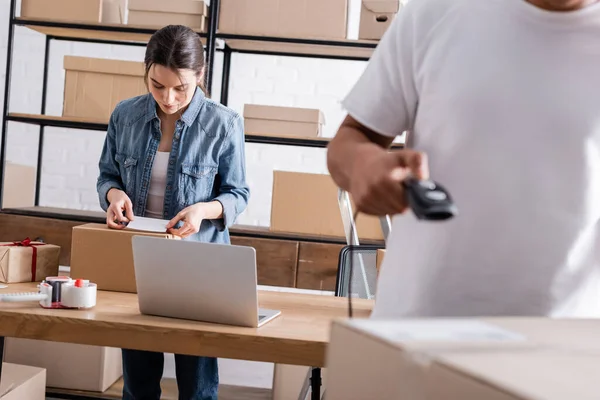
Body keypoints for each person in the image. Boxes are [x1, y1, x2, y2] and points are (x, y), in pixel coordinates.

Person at [327, 0, 600, 320]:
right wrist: (364, 165)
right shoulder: (436, 13)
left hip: (563, 345)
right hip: (415, 334)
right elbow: (349, 141)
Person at [96, 25, 250, 400]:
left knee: (197, 389)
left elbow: (238, 194)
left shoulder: (224, 124)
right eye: (157, 85)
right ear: (147, 71)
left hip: (201, 268)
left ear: (200, 75)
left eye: (180, 87)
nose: (168, 98)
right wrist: (113, 196)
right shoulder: (125, 115)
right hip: (139, 261)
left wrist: (203, 210)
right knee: (138, 385)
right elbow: (107, 176)